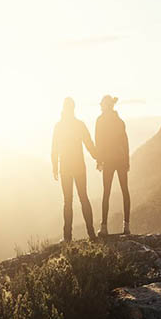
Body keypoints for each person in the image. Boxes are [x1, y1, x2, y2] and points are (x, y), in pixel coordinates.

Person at [51, 97, 98, 241]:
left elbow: (54, 149)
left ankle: (67, 238)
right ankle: (91, 234)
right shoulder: (79, 125)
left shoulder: (59, 126)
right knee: (84, 198)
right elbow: (89, 143)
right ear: (73, 108)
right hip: (79, 166)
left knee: (68, 202)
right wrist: (98, 157)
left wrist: (54, 166)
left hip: (65, 167)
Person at [95, 95, 130, 236]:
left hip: (108, 160)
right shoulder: (119, 121)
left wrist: (99, 160)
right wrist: (127, 161)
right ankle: (126, 226)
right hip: (121, 159)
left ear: (105, 105)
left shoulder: (100, 121)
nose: (100, 107)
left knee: (106, 192)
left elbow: (99, 142)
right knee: (125, 191)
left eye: (102, 104)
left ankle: (104, 227)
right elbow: (125, 142)